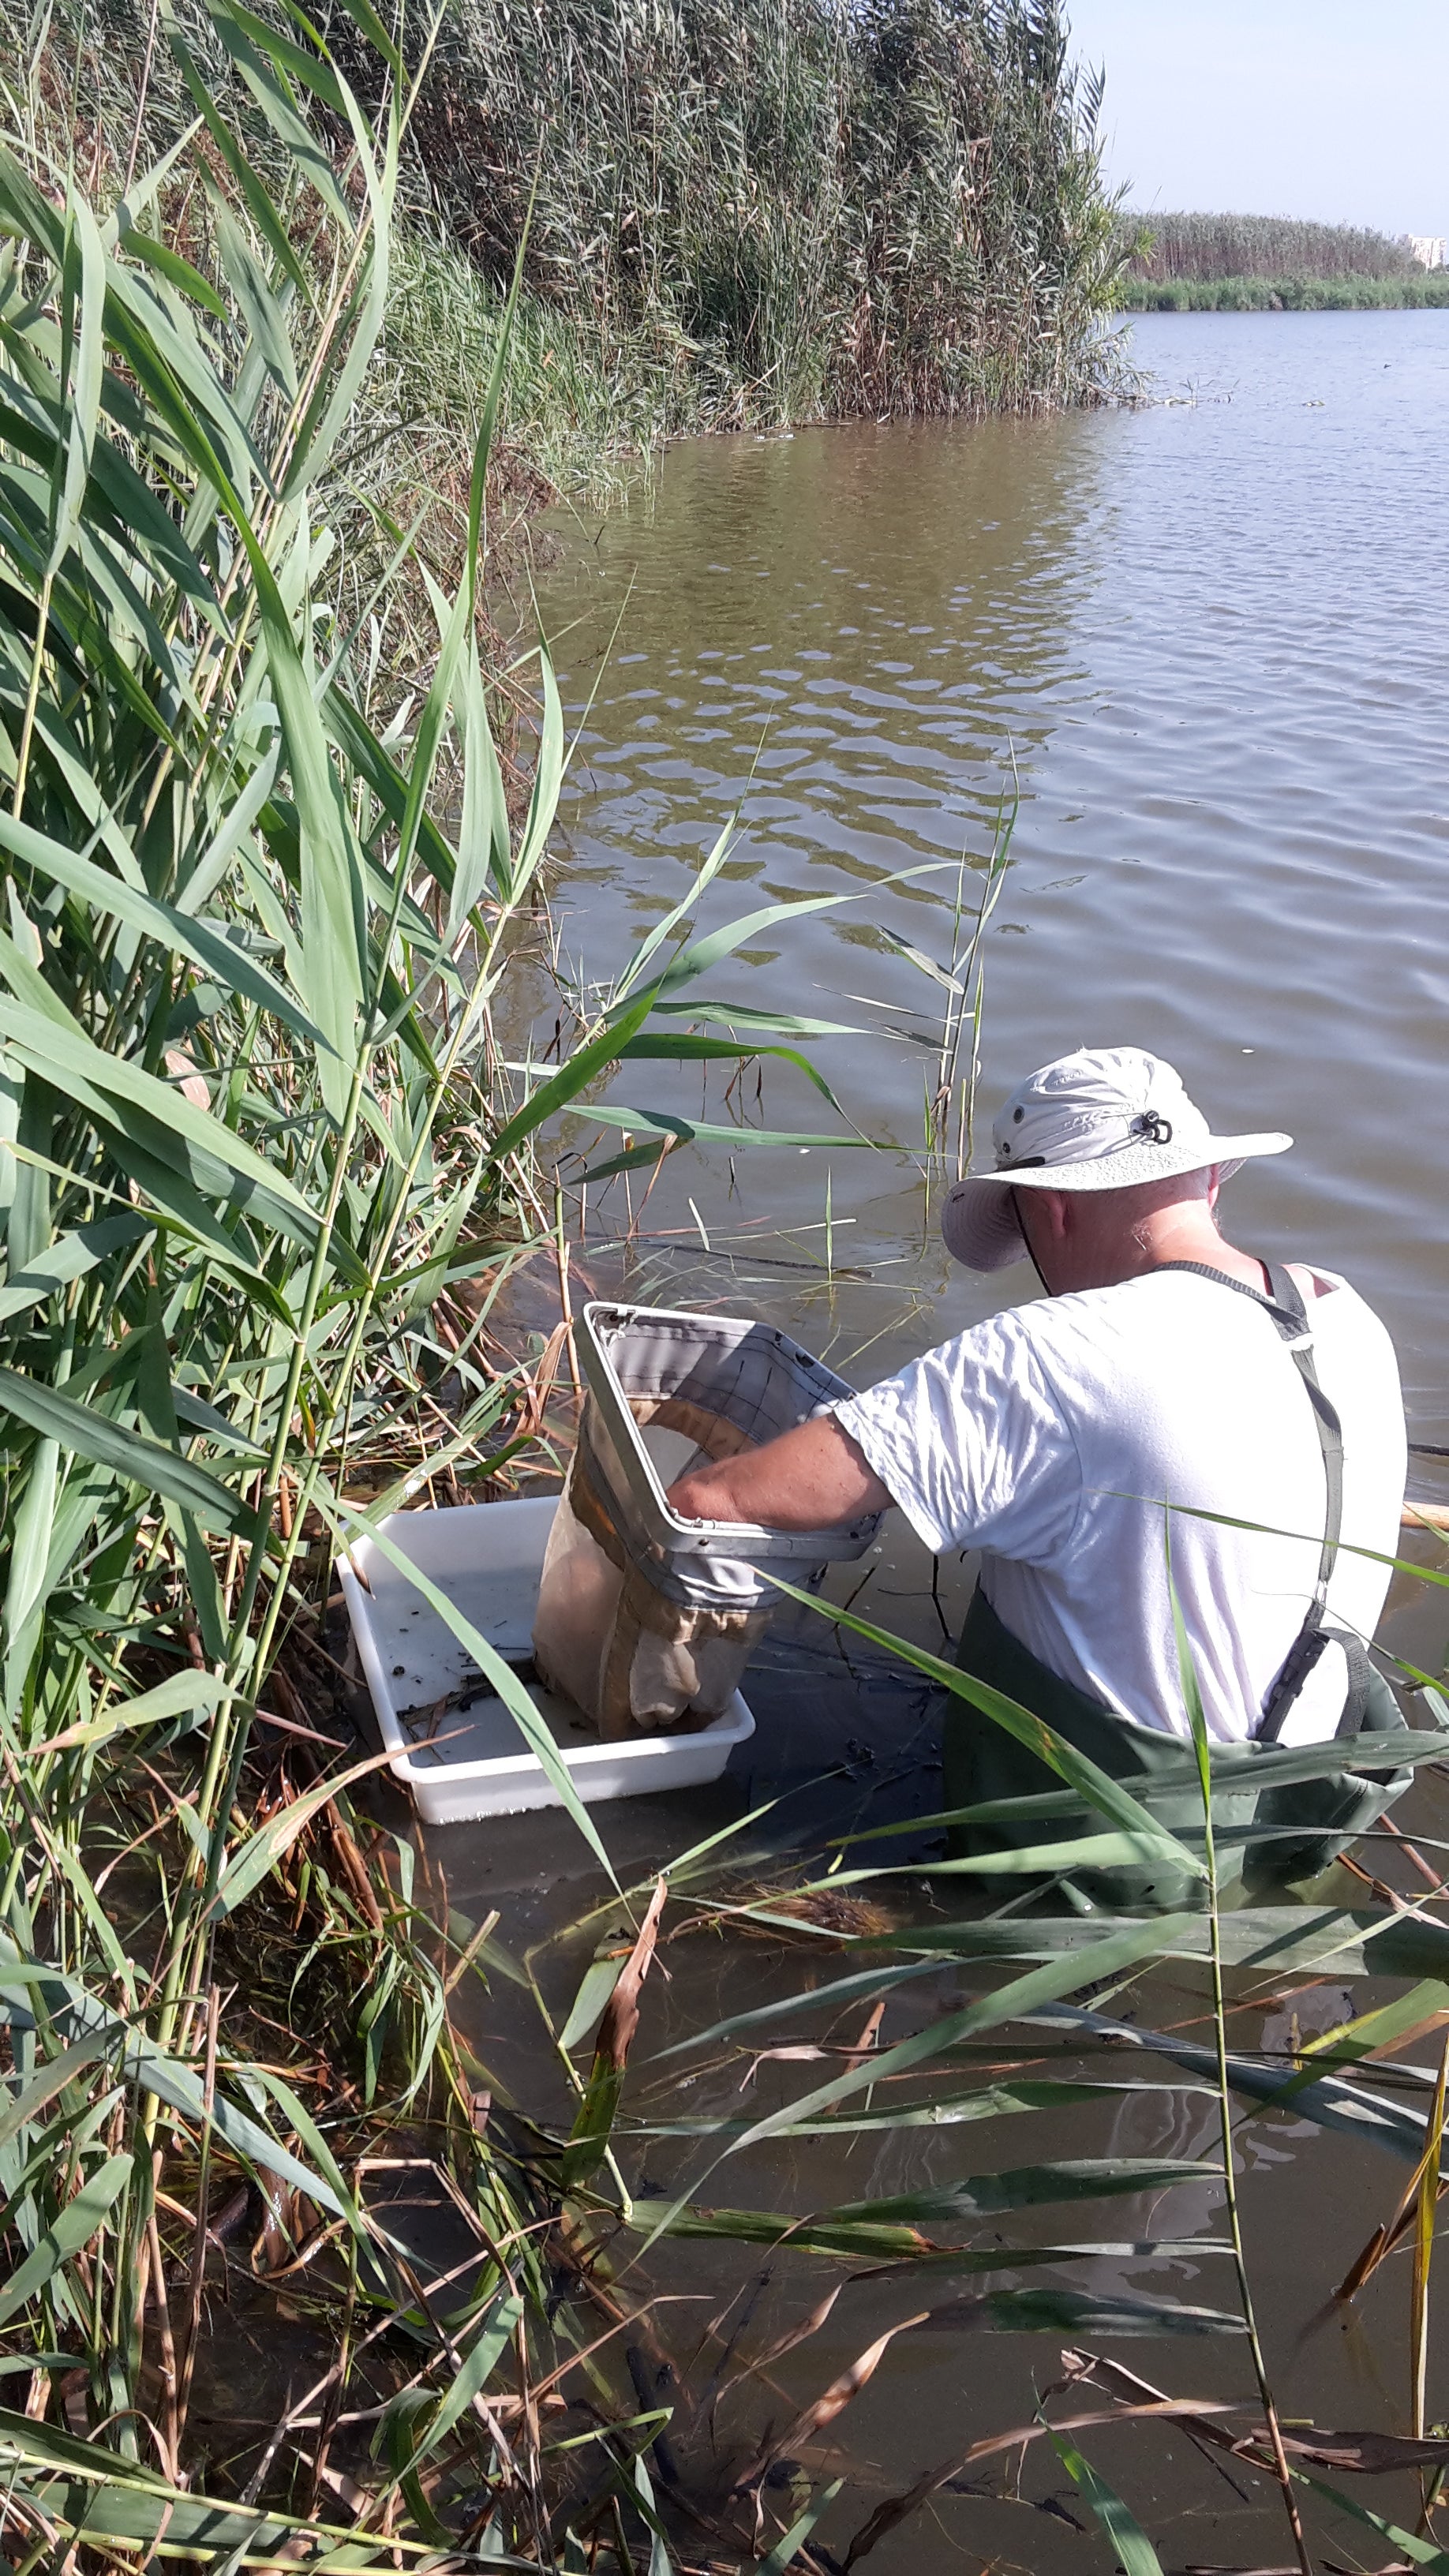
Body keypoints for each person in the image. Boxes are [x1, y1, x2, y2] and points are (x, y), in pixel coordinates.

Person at [666, 1046, 1412, 1906]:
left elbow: (714, 1501)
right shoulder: (1349, 1318)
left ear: (1051, 1209)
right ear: (1209, 1179)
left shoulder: (1052, 1354)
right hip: (1298, 1818)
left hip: (1097, 1861)